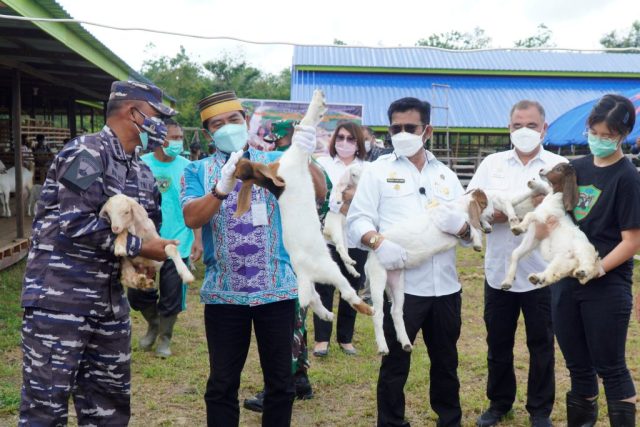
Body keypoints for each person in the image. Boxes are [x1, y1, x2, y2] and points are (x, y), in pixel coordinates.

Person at [19, 80, 178, 425]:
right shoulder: (87, 153)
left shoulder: (141, 169)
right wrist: (141, 247)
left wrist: (145, 261)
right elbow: (74, 223)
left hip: (108, 304)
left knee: (108, 407)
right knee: (46, 406)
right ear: (132, 112)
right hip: (60, 303)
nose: (161, 125)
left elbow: (148, 222)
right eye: (155, 115)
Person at [181, 90, 325, 427]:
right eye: (218, 124)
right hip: (224, 294)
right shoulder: (197, 170)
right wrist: (222, 186)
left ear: (246, 122)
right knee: (221, 384)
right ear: (207, 133)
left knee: (281, 383)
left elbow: (318, 192)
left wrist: (304, 153)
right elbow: (192, 217)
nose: (228, 127)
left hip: (276, 290)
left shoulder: (274, 161)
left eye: (234, 120)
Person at [347, 97, 473, 427]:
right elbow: (357, 220)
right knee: (394, 366)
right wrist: (377, 242)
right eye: (396, 128)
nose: (402, 133)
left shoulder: (446, 175)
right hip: (402, 288)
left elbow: (468, 229)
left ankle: (449, 420)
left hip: (445, 287)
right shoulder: (377, 171)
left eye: (410, 127)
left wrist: (462, 228)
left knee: (446, 362)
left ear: (426, 130)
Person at [467, 100, 565, 427]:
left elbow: (566, 216)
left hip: (542, 272)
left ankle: (540, 410)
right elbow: (472, 207)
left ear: (544, 128)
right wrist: (498, 214)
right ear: (508, 128)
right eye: (517, 125)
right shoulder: (492, 164)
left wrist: (532, 213)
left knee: (541, 345)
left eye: (532, 125)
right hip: (499, 272)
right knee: (498, 343)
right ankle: (499, 403)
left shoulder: (558, 165)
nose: (524, 131)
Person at [546, 94, 640, 426]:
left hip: (606, 285)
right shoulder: (575, 168)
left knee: (611, 367)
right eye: (595, 132)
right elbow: (561, 216)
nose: (599, 140)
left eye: (607, 135)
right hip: (567, 282)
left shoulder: (627, 178)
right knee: (578, 367)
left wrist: (598, 268)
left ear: (622, 135)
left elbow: (632, 241)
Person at [243, 119, 323, 413]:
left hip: (295, 254)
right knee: (295, 321)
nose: (272, 138)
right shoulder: (271, 159)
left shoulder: (298, 160)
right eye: (269, 134)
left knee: (289, 322)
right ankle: (299, 379)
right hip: (287, 253)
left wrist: (304, 157)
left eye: (278, 134)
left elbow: (321, 192)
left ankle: (281, 385)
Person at [127, 118, 203, 358]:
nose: (178, 142)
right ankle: (153, 323)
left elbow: (195, 205)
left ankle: (165, 337)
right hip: (146, 241)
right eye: (174, 137)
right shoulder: (140, 165)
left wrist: (198, 240)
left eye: (180, 137)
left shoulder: (188, 167)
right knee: (138, 292)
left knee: (172, 294)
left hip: (178, 241)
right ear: (160, 139)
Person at [313, 121, 368, 357]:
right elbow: (317, 196)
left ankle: (346, 338)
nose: (344, 143)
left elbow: (369, 201)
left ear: (359, 144)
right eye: (341, 137)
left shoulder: (368, 168)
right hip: (325, 235)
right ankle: (321, 339)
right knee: (324, 286)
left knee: (352, 287)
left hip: (356, 236)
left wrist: (346, 201)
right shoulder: (322, 164)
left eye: (351, 139)